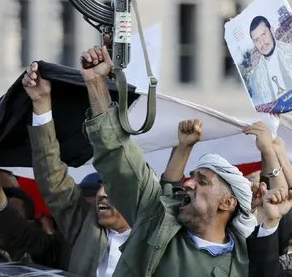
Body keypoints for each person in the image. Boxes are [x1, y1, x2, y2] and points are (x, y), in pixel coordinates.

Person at [78, 45, 257, 276]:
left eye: (202, 181)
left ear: (228, 203)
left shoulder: (245, 259)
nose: (189, 184)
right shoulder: (156, 222)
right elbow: (118, 158)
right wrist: (96, 83)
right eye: (192, 178)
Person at [22, 62, 131, 277]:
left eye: (110, 188)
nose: (101, 194)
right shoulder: (86, 227)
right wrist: (41, 103)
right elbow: (53, 179)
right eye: (101, 188)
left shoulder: (155, 236)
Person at [247, 15, 292, 105]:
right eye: (256, 40)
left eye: (263, 34)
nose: (262, 42)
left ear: (272, 31)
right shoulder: (255, 77)